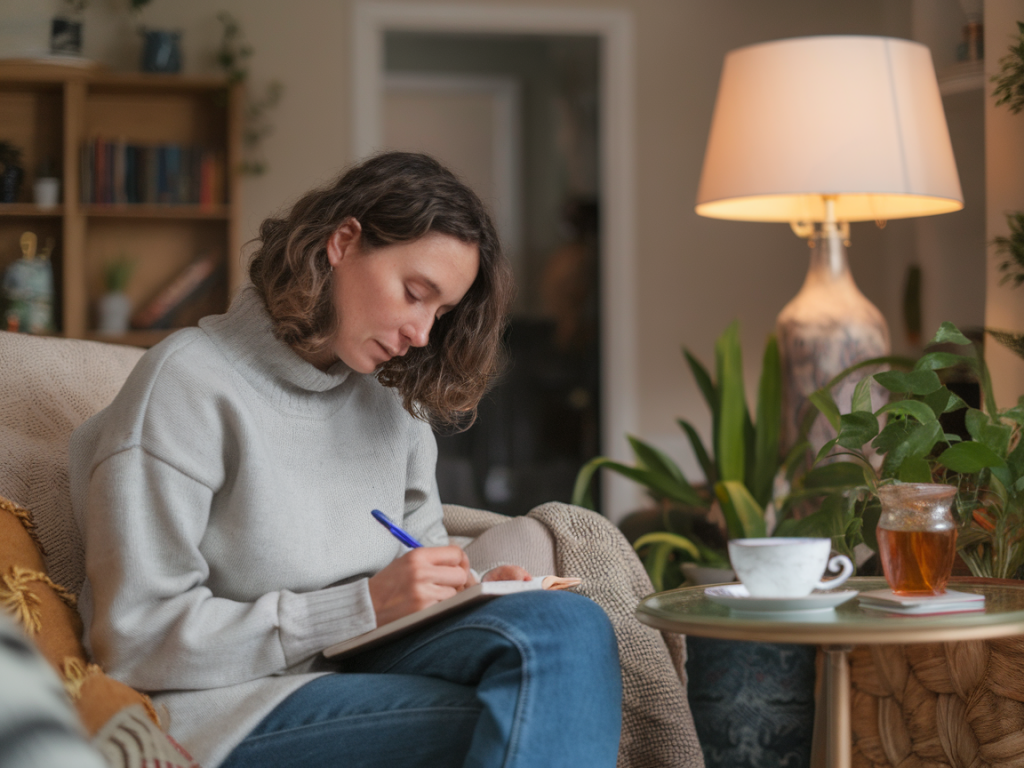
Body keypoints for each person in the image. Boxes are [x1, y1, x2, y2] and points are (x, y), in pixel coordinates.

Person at [69, 151, 623, 768]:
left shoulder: (391, 403)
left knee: (567, 625)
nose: (421, 333)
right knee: (522, 716)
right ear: (343, 242)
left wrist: (473, 589)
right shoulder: (188, 384)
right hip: (223, 705)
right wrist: (362, 604)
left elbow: (417, 555)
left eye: (439, 314)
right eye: (415, 294)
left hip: (360, 655)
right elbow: (134, 639)